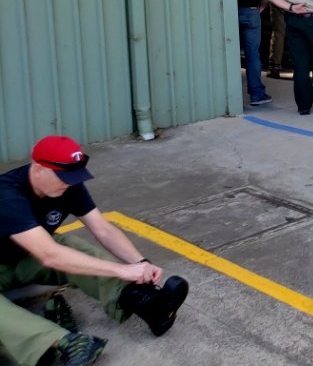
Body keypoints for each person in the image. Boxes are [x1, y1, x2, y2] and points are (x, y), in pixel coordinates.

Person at [0, 136, 189, 366]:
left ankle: (144, 303)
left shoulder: (66, 184)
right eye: (63, 177)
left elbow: (102, 229)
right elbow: (49, 254)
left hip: (20, 257)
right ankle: (61, 342)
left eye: (73, 178)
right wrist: (120, 270)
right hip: (16, 261)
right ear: (39, 169)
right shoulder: (7, 195)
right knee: (56, 250)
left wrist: (140, 263)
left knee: (71, 246)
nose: (69, 183)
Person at [232, 0, 272, 106]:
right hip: (251, 11)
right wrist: (263, 4)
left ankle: (230, 96)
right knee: (252, 54)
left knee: (227, 53)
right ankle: (257, 94)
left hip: (227, 13)